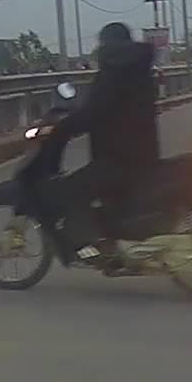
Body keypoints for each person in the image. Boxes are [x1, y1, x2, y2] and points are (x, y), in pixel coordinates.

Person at [16, 22, 161, 264]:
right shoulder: (139, 69)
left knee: (72, 191)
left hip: (118, 159)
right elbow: (107, 110)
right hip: (141, 153)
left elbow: (93, 113)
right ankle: (112, 238)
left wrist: (62, 128)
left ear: (106, 44)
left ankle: (96, 248)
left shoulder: (112, 73)